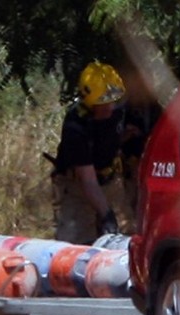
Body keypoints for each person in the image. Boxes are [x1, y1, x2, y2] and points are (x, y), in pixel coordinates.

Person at [51, 61, 137, 245]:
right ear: (89, 103)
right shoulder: (76, 126)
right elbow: (87, 179)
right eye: (103, 103)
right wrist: (106, 215)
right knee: (74, 246)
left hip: (111, 183)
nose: (110, 108)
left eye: (112, 101)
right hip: (77, 189)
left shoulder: (118, 110)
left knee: (124, 241)